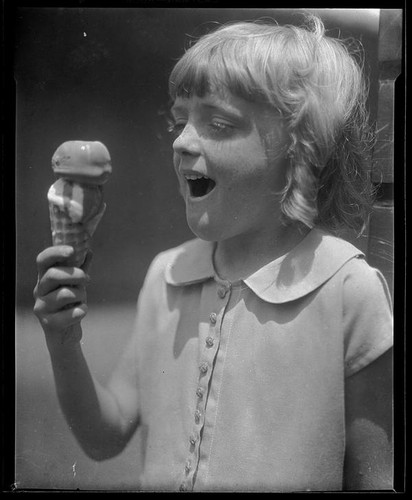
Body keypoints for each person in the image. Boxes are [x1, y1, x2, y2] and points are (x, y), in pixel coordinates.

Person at [33, 15, 393, 492]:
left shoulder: (348, 289)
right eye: (181, 120)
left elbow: (376, 478)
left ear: (300, 149)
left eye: (218, 123)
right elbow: (105, 434)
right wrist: (63, 341)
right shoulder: (168, 274)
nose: (181, 141)